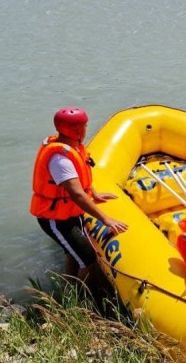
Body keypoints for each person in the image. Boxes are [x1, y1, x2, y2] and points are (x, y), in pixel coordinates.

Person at [30, 107, 128, 280]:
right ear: (76, 130)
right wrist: (106, 219)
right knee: (88, 259)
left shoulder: (71, 148)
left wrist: (95, 194)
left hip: (68, 212)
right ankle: (82, 298)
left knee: (74, 253)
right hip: (55, 219)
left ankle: (69, 283)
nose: (86, 129)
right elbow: (76, 193)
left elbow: (80, 181)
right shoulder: (60, 159)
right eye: (85, 126)